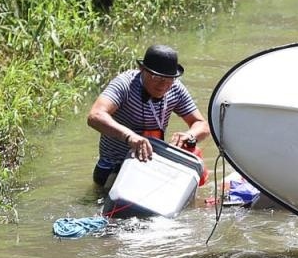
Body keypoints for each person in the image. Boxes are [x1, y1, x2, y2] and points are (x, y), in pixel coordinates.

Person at [86, 44, 211, 189]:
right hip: (114, 167)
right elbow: (95, 116)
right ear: (142, 70)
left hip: (152, 166)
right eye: (156, 77)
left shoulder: (176, 88)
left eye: (169, 78)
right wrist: (129, 136)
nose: (163, 84)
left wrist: (190, 136)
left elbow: (201, 124)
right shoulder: (125, 84)